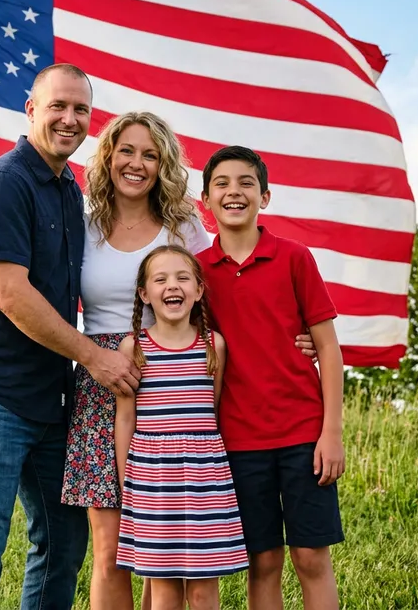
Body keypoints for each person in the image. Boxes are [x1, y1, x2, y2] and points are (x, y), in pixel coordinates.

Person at [0, 116, 319, 609]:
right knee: (111, 553)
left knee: (163, 553)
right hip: (100, 379)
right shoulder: (83, 222)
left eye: (150, 155)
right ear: (109, 158)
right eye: (127, 151)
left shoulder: (183, 225)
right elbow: (28, 271)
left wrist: (288, 336)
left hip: (172, 381)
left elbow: (217, 290)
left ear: (164, 163)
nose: (137, 164)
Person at [0, 63, 141, 610]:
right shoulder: (5, 180)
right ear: (31, 109)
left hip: (52, 398)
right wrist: (93, 357)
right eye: (58, 106)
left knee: (62, 542)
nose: (70, 119)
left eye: (81, 110)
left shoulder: (68, 190)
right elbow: (10, 293)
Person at [197, 145, 346, 610]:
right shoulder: (198, 272)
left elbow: (328, 348)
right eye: (221, 183)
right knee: (263, 563)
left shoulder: (294, 257)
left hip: (303, 435)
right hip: (239, 441)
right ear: (205, 199)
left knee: (310, 558)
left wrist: (332, 433)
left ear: (265, 196)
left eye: (246, 183)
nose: (234, 192)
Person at [115, 244, 249, 610]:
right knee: (165, 590)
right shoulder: (134, 348)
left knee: (205, 590)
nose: (172, 286)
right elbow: (126, 418)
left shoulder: (213, 345)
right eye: (160, 279)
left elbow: (215, 411)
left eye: (182, 278)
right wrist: (129, 481)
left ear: (199, 290)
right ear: (145, 294)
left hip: (205, 483)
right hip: (153, 483)